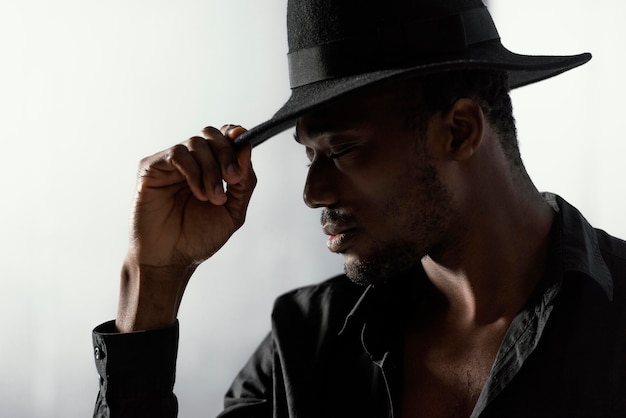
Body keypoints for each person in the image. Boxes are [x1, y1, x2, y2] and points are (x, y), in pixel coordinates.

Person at [92, 0, 626, 417]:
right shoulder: (302, 345)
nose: (313, 192)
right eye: (309, 155)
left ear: (459, 131)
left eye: (343, 151)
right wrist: (153, 279)